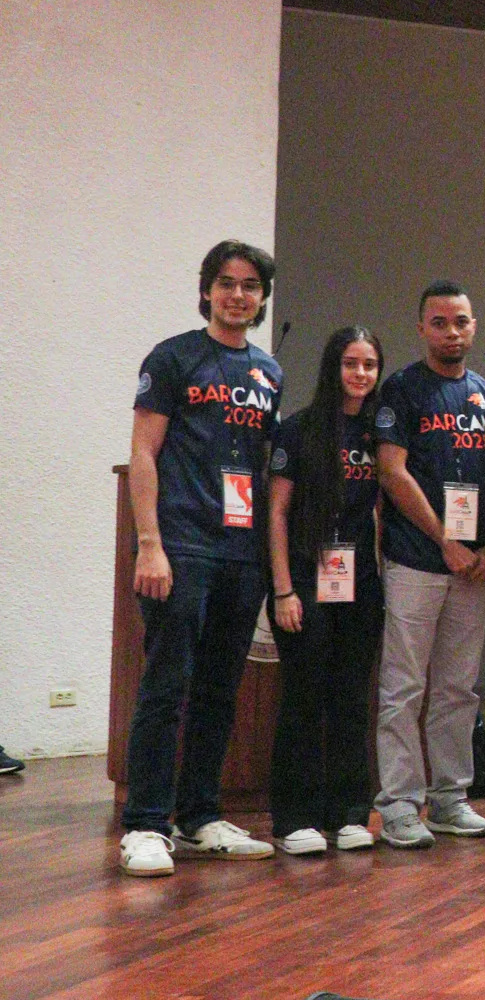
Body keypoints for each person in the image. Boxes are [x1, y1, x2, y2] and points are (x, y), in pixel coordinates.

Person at [119, 240, 284, 876]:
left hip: (242, 552)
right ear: (207, 290)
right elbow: (143, 453)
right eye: (226, 283)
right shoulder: (172, 357)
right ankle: (145, 824)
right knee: (167, 685)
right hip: (181, 545)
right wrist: (150, 544)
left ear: (262, 298)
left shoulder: (269, 371)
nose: (237, 295)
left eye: (250, 286)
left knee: (220, 688)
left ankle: (199, 816)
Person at [373, 281, 485, 848]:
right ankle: (401, 805)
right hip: (417, 561)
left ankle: (450, 798)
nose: (452, 332)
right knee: (404, 687)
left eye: (461, 322)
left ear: (474, 327)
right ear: (422, 328)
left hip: (474, 567)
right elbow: (392, 471)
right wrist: (444, 540)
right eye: (440, 323)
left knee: (458, 689)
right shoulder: (402, 390)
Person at [265, 326, 385, 856]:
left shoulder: (379, 435)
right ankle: (296, 818)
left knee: (352, 699)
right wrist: (283, 590)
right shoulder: (299, 430)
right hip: (303, 580)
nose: (360, 374)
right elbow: (277, 513)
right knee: (304, 697)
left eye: (369, 364)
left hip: (360, 583)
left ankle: (350, 814)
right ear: (332, 368)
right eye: (350, 363)